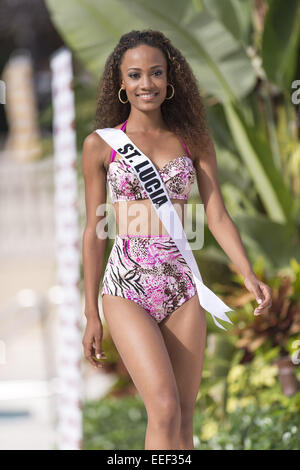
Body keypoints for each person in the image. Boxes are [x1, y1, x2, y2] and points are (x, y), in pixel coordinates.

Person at [81, 30, 272, 450]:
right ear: (121, 82)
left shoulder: (194, 140)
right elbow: (94, 231)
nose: (146, 83)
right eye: (135, 74)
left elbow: (217, 214)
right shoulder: (100, 146)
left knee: (184, 415)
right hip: (125, 286)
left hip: (182, 286)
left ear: (170, 81)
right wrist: (91, 312)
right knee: (164, 408)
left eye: (156, 73)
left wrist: (247, 273)